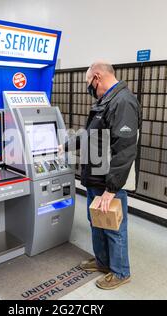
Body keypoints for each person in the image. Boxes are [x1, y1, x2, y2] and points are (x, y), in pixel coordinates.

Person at [59, 61, 141, 290]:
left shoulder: (123, 102)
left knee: (113, 226)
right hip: (95, 177)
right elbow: (90, 134)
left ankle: (121, 271)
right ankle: (103, 262)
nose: (89, 88)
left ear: (97, 77)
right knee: (97, 222)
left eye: (89, 83)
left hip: (108, 181)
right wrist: (65, 146)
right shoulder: (106, 102)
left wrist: (111, 189)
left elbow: (125, 150)